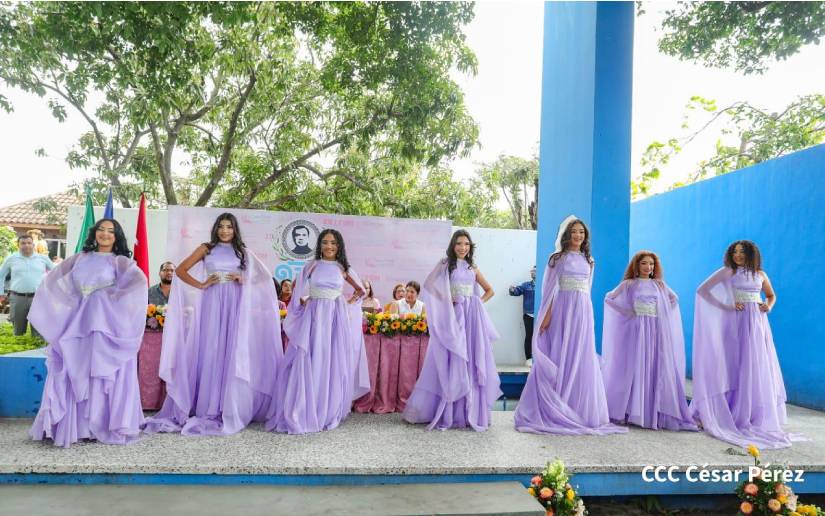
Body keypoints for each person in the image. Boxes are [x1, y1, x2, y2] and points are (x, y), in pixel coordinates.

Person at [144, 213, 283, 436]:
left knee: (231, 351)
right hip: (211, 304)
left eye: (229, 227)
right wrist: (200, 284)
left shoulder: (242, 252)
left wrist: (243, 279)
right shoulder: (206, 248)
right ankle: (207, 404)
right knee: (211, 350)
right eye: (221, 226)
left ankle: (228, 404)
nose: (225, 231)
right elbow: (180, 270)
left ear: (235, 230)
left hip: (235, 306)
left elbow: (264, 278)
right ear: (216, 228)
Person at [29, 219, 146, 447]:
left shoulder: (119, 261)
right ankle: (77, 426)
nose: (105, 234)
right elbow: (50, 282)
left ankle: (98, 424)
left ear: (117, 237)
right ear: (94, 233)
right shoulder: (79, 258)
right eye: (101, 230)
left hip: (105, 324)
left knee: (100, 370)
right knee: (76, 366)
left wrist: (109, 297)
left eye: (111, 231)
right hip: (77, 322)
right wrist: (71, 301)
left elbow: (138, 283)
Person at [514, 216, 626, 435]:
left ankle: (578, 409)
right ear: (566, 235)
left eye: (581, 232)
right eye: (574, 231)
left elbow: (587, 290)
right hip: (562, 311)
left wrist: (587, 316)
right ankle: (557, 405)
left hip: (583, 313)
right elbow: (548, 291)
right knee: (560, 354)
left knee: (580, 356)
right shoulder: (557, 259)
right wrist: (546, 317)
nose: (578, 235)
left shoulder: (589, 260)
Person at [691, 240, 799, 449]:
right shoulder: (728, 272)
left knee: (756, 366)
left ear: (751, 254)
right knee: (734, 365)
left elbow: (771, 295)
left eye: (742, 252)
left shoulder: (760, 274)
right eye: (735, 252)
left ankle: (750, 413)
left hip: (758, 325)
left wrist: (768, 305)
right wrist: (727, 305)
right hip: (735, 324)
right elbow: (702, 290)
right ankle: (730, 411)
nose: (738, 255)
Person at [267, 229, 370, 434]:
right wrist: (302, 303)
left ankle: (327, 407)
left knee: (330, 359)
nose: (329, 246)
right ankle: (306, 406)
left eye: (333, 243)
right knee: (311, 357)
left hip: (334, 317)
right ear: (319, 245)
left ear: (339, 246)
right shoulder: (312, 266)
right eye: (325, 242)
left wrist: (347, 304)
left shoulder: (343, 268)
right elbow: (296, 290)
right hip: (314, 318)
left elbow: (362, 291)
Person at [403, 229, 501, 431]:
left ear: (470, 246)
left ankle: (470, 411)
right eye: (459, 243)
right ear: (453, 245)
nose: (462, 247)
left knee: (472, 359)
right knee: (455, 358)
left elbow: (490, 290)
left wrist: (477, 303)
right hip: (454, 317)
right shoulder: (446, 264)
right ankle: (450, 410)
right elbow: (429, 285)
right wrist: (447, 300)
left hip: (472, 318)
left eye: (466, 244)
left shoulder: (472, 267)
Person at [601, 251, 697, 431]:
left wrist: (662, 313)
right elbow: (609, 298)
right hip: (637, 331)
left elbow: (674, 298)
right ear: (636, 266)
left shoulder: (659, 285)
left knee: (654, 366)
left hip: (655, 330)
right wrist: (627, 312)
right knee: (635, 366)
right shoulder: (629, 284)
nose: (648, 267)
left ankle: (653, 412)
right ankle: (631, 411)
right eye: (644, 263)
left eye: (651, 264)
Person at [0, 234, 54, 338]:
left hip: (39, 298)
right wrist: (1, 294)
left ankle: (37, 351)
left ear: (33, 244)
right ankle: (19, 351)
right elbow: (1, 276)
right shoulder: (11, 259)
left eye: (29, 243)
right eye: (23, 243)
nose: (26, 245)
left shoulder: (43, 258)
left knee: (38, 332)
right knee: (18, 332)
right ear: (18, 245)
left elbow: (57, 273)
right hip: (17, 298)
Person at [509, 266, 536, 366]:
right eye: (532, 271)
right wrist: (512, 289)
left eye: (535, 271)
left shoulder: (545, 285)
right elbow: (516, 292)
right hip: (529, 314)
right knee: (529, 336)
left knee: (542, 338)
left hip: (542, 315)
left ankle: (540, 359)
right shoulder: (526, 285)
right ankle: (529, 359)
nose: (533, 272)